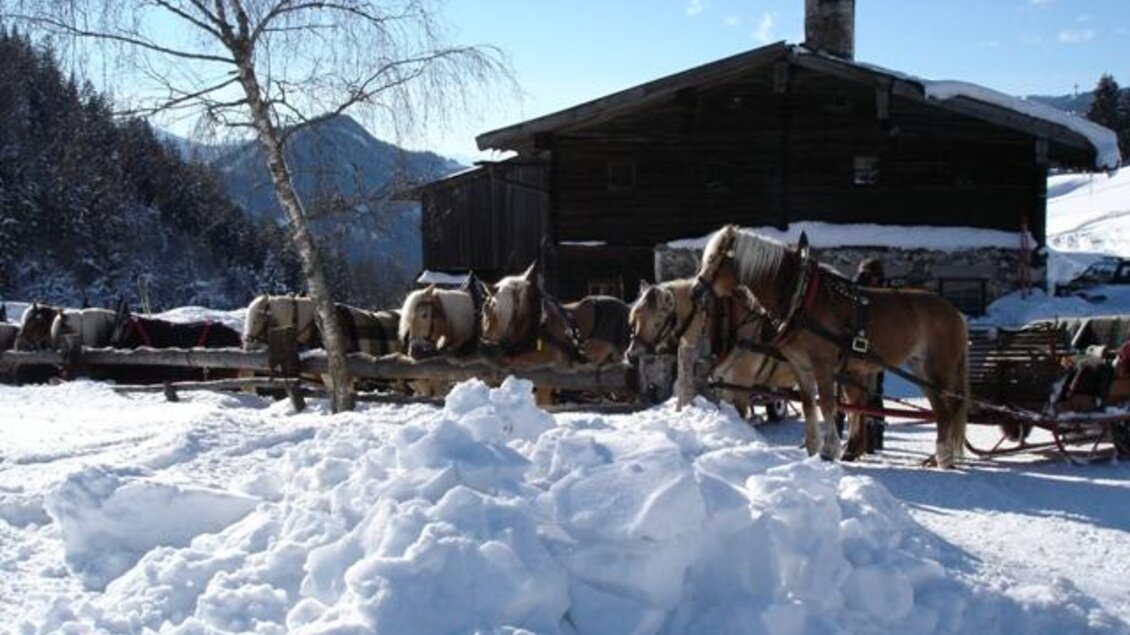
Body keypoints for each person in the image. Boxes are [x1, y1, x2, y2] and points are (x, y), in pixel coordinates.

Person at [853, 257, 887, 452]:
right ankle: (853, 436)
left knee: (873, 393)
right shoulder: (858, 290)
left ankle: (874, 440)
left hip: (876, 351)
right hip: (858, 349)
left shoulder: (882, 295)